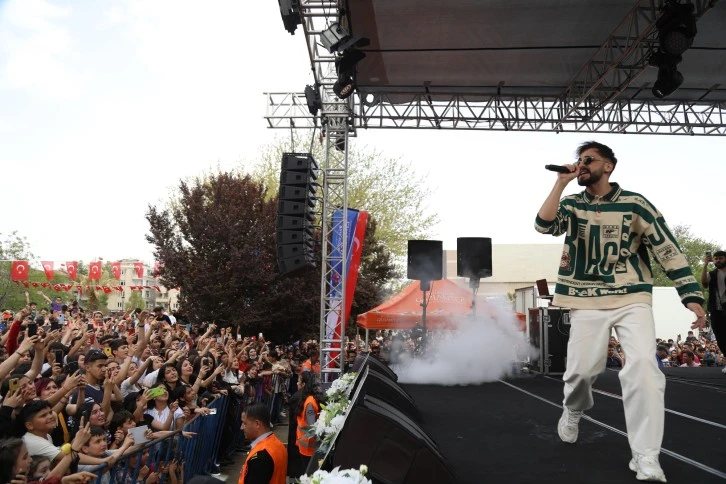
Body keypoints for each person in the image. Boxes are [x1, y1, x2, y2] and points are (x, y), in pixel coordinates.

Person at [535, 141, 705, 482]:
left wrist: (690, 295)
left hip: (631, 296)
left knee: (644, 368)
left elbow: (667, 248)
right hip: (585, 299)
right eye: (579, 160)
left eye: (589, 159)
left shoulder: (635, 203)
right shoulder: (572, 203)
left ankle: (646, 455)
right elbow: (544, 225)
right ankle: (573, 408)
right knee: (582, 372)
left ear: (608, 166)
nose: (582, 164)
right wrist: (561, 182)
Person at [238, 403, 287, 484]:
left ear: (257, 424)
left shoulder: (261, 456)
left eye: (244, 423)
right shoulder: (277, 444)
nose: (241, 427)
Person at [700, 250, 726, 373]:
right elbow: (704, 283)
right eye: (715, 259)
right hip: (716, 309)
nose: (718, 261)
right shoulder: (712, 274)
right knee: (720, 336)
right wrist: (705, 264)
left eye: (720, 258)